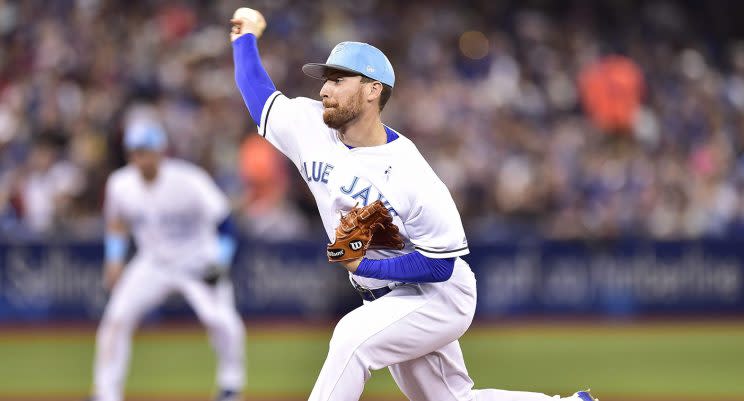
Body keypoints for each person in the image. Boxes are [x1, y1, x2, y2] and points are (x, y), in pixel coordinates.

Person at [230, 8, 597, 401]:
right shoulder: (310, 127)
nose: (324, 90)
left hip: (437, 296)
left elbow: (439, 265)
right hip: (386, 298)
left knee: (351, 340)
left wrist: (366, 264)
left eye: (338, 80)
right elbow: (258, 95)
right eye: (325, 81)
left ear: (373, 90)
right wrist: (244, 36)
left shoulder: (410, 172)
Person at [89, 117, 245, 401]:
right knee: (116, 318)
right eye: (134, 152)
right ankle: (105, 393)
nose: (140, 158)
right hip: (154, 263)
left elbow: (225, 222)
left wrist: (221, 261)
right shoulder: (120, 184)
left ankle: (230, 386)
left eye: (145, 151)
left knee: (220, 320)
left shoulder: (189, 180)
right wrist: (114, 260)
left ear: (160, 151)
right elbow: (116, 222)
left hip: (198, 261)